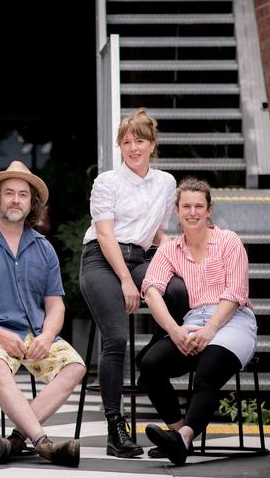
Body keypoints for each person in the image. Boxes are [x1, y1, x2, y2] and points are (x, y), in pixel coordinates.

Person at [0, 161, 86, 468]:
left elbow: (55, 305)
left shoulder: (43, 248)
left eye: (23, 194)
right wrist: (0, 335)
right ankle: (44, 444)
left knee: (75, 367)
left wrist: (48, 335)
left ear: (31, 203)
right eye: (9, 193)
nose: (15, 199)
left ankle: (15, 440)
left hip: (35, 334)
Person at [78, 108, 189, 458]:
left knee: (178, 291)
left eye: (139, 140)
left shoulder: (166, 183)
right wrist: (127, 281)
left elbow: (154, 231)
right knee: (116, 337)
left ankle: (151, 358)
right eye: (126, 142)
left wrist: (178, 257)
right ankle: (116, 427)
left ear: (152, 144)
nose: (132, 147)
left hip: (141, 257)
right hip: (101, 258)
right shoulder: (107, 182)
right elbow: (107, 235)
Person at [140, 177, 257, 466]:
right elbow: (151, 289)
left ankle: (185, 436)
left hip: (232, 321)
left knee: (207, 371)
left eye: (199, 207)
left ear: (209, 210)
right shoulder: (170, 249)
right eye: (186, 207)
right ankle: (178, 436)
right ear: (177, 211)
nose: (192, 212)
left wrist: (211, 329)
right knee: (150, 365)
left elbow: (235, 292)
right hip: (193, 322)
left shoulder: (228, 241)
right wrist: (175, 330)